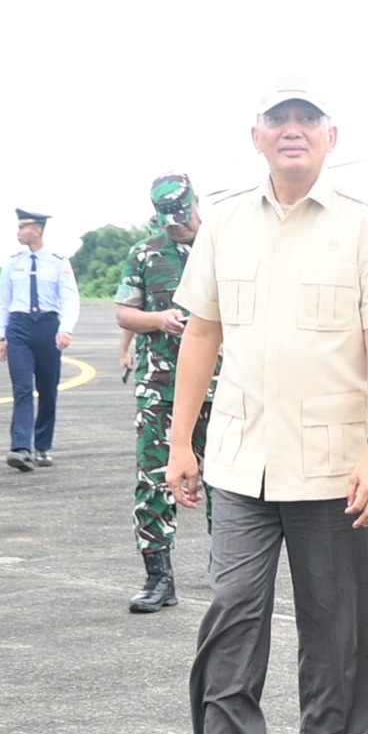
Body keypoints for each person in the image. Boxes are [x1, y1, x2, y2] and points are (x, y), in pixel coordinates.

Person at [154, 76, 368, 734]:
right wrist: (181, 440)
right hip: (239, 458)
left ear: (331, 137)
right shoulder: (226, 222)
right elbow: (201, 332)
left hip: (335, 462)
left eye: (307, 119)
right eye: (279, 119)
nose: (292, 130)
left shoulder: (366, 226)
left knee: (336, 622)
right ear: (257, 136)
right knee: (232, 613)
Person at [113, 172, 217, 613]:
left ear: (197, 202)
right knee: (153, 480)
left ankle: (229, 571)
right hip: (161, 389)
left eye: (182, 216)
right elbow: (124, 313)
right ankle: (159, 578)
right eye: (168, 220)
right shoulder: (145, 254)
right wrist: (159, 321)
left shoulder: (223, 246)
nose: (178, 226)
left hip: (224, 386)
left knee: (230, 481)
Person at [0, 208, 78, 471]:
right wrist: (0, 335)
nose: (19, 233)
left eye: (23, 228)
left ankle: (42, 446)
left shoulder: (58, 262)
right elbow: (3, 300)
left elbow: (69, 297)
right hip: (19, 328)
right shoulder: (12, 263)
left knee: (48, 391)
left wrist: (66, 329)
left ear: (37, 230)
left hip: (48, 328)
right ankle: (20, 448)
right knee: (22, 389)